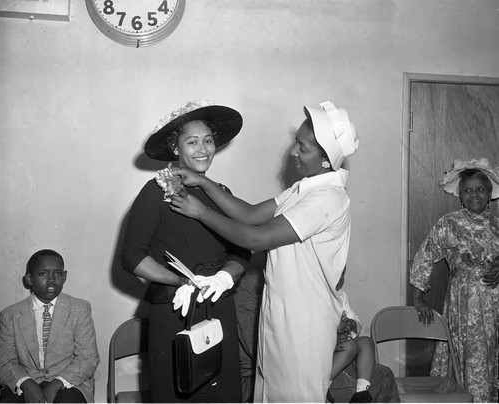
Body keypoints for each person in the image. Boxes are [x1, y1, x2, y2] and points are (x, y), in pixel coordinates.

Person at [170, 100, 360, 402]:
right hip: (281, 310)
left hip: (306, 319)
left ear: (326, 161)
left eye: (303, 148)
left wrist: (201, 212)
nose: (293, 152)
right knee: (269, 392)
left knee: (297, 395)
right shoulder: (302, 189)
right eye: (295, 143)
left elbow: (255, 238)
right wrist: (204, 183)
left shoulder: (327, 199)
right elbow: (250, 213)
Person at [120, 100, 251, 403]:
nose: (202, 149)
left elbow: (243, 252)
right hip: (176, 308)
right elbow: (133, 257)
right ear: (175, 147)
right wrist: (180, 282)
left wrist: (222, 279)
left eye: (208, 141)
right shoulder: (155, 192)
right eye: (192, 142)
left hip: (219, 306)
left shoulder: (220, 193)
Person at [410, 158, 499, 402]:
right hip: (464, 305)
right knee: (469, 358)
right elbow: (425, 255)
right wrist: (418, 297)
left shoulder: (497, 226)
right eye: (468, 190)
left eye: (480, 189)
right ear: (460, 195)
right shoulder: (449, 223)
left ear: (490, 192)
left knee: (491, 356)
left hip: (495, 307)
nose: (474, 195)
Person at [0, 249, 99, 403]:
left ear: (65, 276)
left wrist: (56, 384)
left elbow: (88, 358)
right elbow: (5, 360)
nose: (52, 280)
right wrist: (26, 383)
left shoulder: (80, 309)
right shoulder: (10, 315)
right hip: (27, 381)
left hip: (69, 382)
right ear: (29, 279)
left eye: (58, 274)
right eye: (43, 274)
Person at [328, 267, 374, 403]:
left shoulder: (342, 295)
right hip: (326, 344)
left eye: (343, 274)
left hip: (345, 341)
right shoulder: (319, 297)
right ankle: (323, 385)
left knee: (366, 342)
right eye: (337, 272)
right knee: (350, 346)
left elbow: (356, 319)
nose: (340, 277)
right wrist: (335, 331)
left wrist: (350, 324)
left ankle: (362, 392)